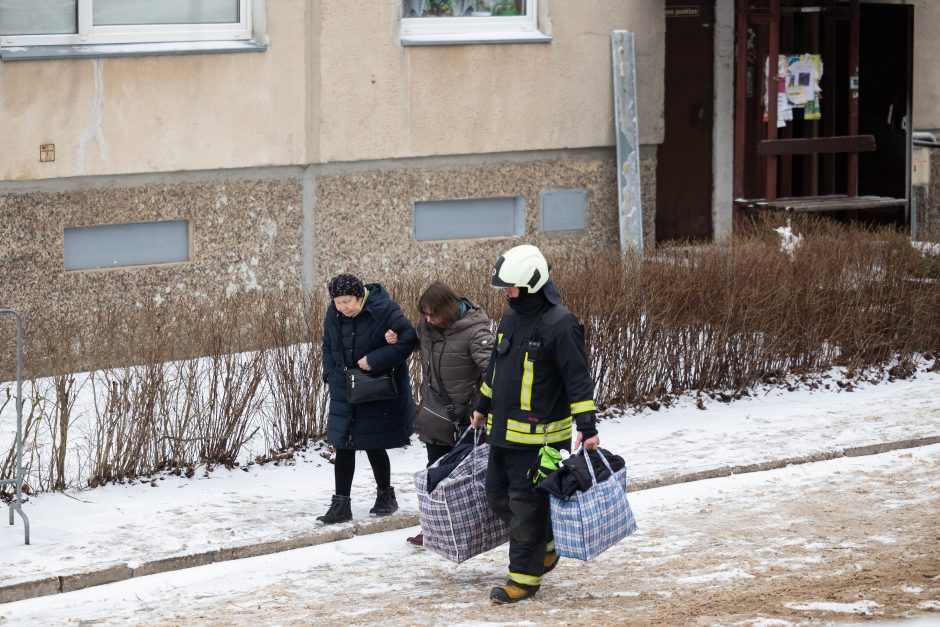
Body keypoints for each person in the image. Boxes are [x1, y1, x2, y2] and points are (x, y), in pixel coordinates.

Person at [470, 244, 600, 604]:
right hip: (502, 432)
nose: (506, 294)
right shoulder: (512, 319)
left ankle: (523, 580)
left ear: (531, 283)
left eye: (510, 287)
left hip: (539, 440)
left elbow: (578, 380)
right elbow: (496, 368)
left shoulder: (562, 325)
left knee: (525, 507)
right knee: (497, 498)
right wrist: (482, 404)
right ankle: (547, 542)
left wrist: (587, 428)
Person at [317, 273, 417, 524]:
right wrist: (330, 372)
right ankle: (341, 504)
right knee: (343, 444)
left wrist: (375, 360)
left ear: (360, 295)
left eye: (347, 301)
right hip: (344, 388)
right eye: (338, 302)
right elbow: (327, 344)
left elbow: (409, 340)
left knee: (374, 443)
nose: (342, 307)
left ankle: (386, 496)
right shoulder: (334, 313)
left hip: (373, 388)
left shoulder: (384, 309)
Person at [403, 282, 495, 546]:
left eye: (432, 314)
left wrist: (481, 406)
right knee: (435, 470)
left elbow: (494, 373)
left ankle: (474, 528)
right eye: (425, 315)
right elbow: (412, 338)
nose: (427, 319)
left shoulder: (476, 332)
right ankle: (432, 529)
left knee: (467, 477)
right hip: (435, 414)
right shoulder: (428, 327)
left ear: (448, 309)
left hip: (464, 419)